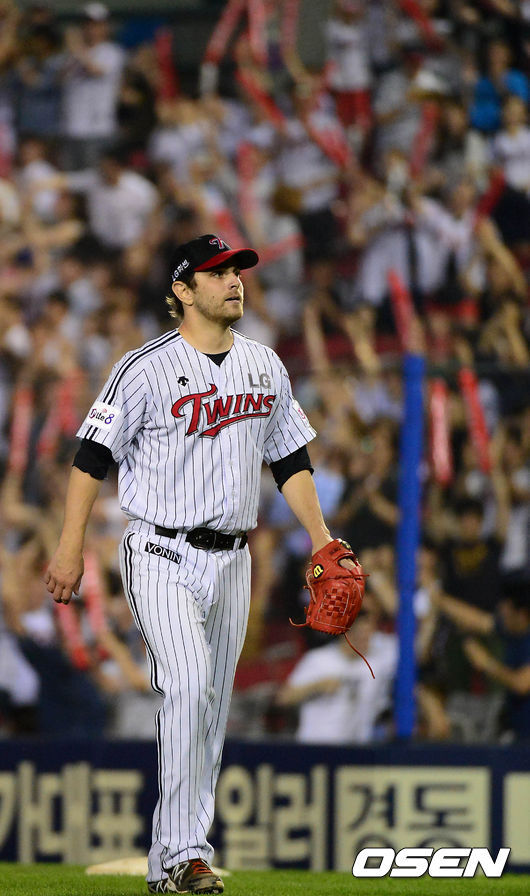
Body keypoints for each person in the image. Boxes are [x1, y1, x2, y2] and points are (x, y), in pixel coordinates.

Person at [44, 234, 359, 894]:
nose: (234, 280)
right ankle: (184, 853)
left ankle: (174, 861)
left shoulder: (265, 364)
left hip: (234, 558)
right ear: (182, 290)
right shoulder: (144, 368)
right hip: (159, 548)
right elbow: (90, 459)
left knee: (211, 709)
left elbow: (291, 460)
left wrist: (322, 540)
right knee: (187, 683)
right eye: (216, 273)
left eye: (236, 270)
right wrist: (71, 546)